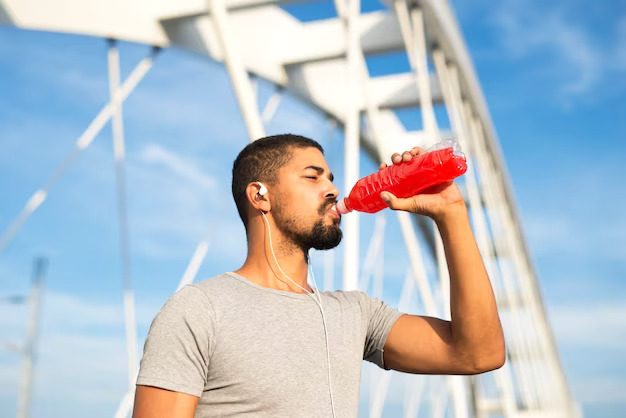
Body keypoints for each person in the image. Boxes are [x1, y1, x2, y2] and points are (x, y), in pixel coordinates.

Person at [132, 134, 504, 418]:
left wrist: (451, 212)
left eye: (330, 178)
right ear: (259, 196)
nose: (333, 189)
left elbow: (478, 354)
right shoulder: (199, 309)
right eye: (313, 177)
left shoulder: (356, 313)